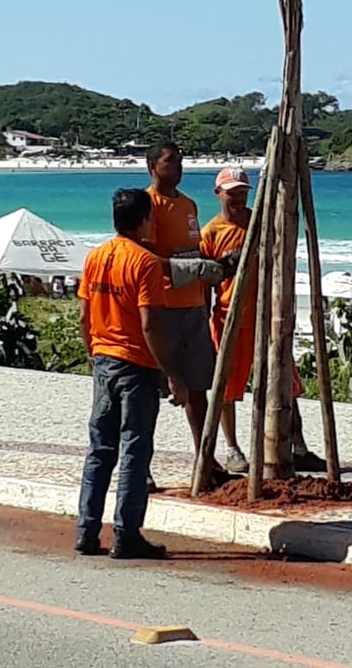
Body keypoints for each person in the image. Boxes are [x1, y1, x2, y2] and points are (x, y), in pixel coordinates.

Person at [75, 188, 188, 559]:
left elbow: (84, 316)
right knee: (134, 450)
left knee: (100, 449)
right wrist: (171, 372)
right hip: (135, 363)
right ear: (143, 221)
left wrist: (94, 351)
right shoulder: (145, 263)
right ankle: (126, 533)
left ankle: (87, 529)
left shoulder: (96, 258)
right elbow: (150, 324)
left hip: (104, 360)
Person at [199, 166, 327, 474]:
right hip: (230, 317)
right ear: (219, 194)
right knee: (226, 388)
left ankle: (297, 445)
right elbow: (205, 284)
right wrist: (202, 324)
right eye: (233, 193)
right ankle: (231, 448)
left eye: (243, 192)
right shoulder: (211, 233)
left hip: (268, 317)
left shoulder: (262, 223)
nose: (239, 199)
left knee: (286, 384)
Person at [145, 142, 230, 484]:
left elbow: (194, 251)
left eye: (181, 160)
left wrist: (208, 274)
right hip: (163, 309)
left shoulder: (189, 205)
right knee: (151, 389)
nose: (178, 167)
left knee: (198, 388)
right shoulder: (149, 205)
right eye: (170, 161)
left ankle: (205, 458)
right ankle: (141, 466)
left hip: (193, 307)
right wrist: (189, 269)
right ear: (152, 166)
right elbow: (146, 261)